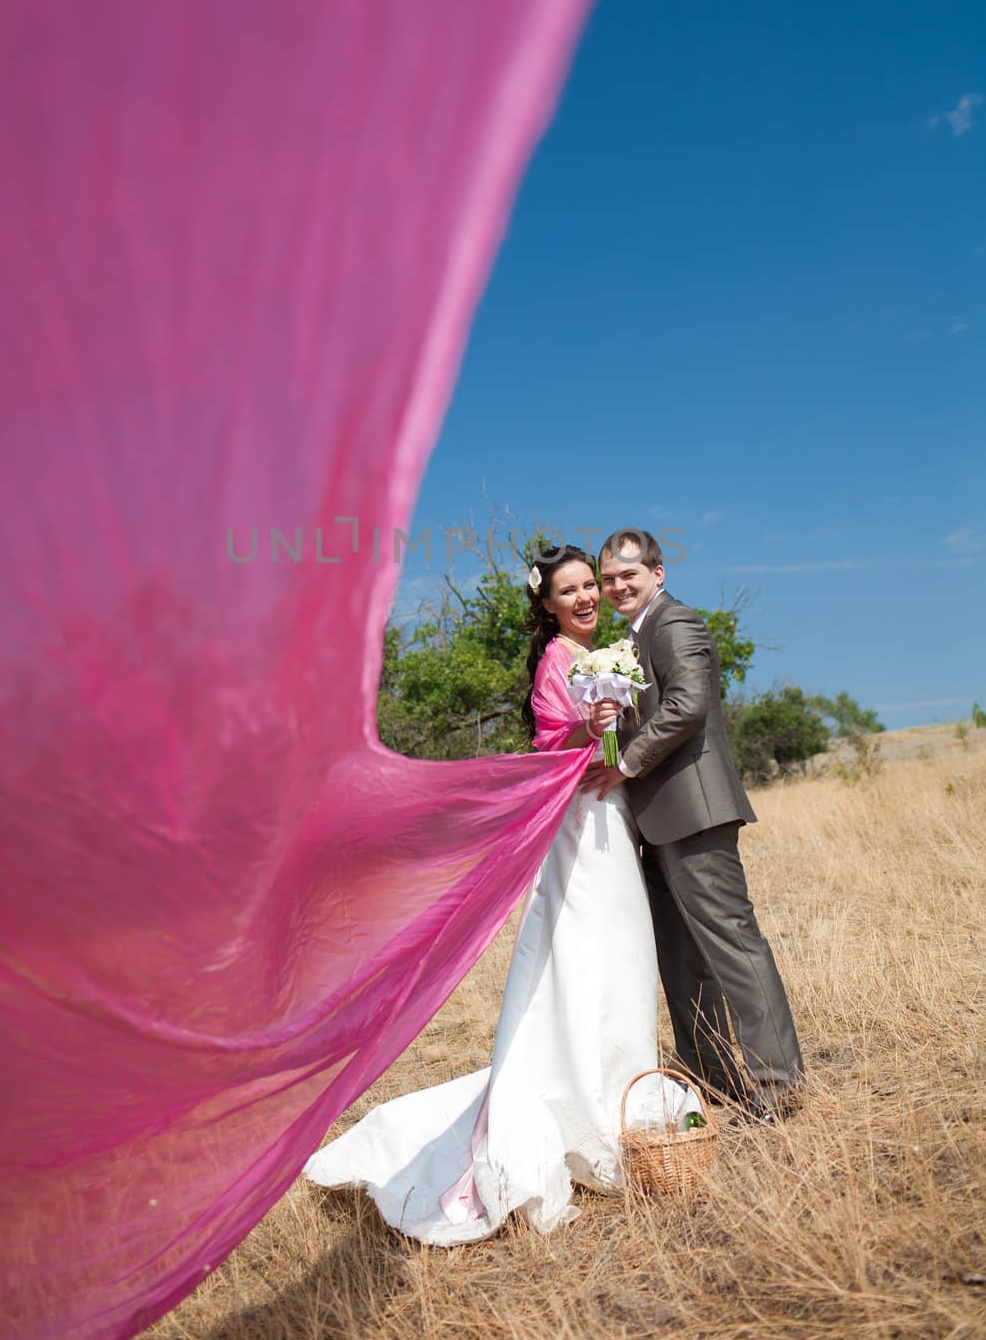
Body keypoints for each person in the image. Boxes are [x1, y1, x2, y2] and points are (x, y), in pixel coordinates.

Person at [304, 546, 699, 1242]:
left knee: (613, 959)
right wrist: (595, 725)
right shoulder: (558, 660)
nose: (583, 598)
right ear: (545, 604)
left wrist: (613, 735)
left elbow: (606, 747)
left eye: (588, 588)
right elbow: (560, 741)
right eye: (567, 591)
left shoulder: (602, 651)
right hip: (581, 828)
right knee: (586, 960)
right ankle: (587, 1102)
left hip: (604, 816)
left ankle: (612, 1087)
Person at [583, 528, 803, 1124]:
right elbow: (650, 713)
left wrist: (624, 765)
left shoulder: (675, 623)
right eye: (608, 579)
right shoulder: (629, 638)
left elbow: (688, 705)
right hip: (654, 821)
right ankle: (714, 1082)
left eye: (629, 574)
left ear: (658, 574)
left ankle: (779, 1086)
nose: (617, 586)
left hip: (694, 812)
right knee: (680, 961)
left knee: (732, 945)